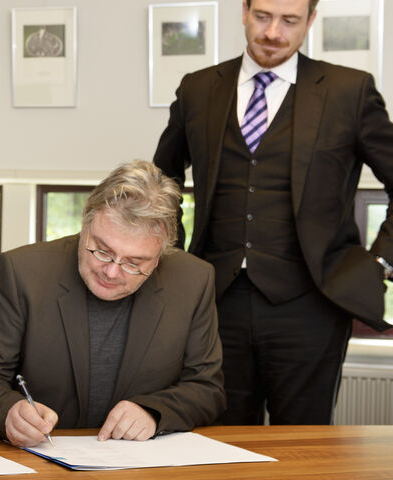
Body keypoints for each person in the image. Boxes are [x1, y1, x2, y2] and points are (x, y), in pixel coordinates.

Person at [152, 0, 393, 426]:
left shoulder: (348, 91)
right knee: (218, 439)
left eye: (289, 21)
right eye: (263, 16)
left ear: (310, 21)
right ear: (244, 11)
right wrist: (170, 253)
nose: (274, 33)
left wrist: (380, 261)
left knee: (303, 446)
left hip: (313, 304)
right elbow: (162, 179)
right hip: (215, 301)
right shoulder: (198, 88)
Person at [0, 161, 224, 447]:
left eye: (134, 263)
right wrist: (9, 412)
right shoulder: (20, 271)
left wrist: (153, 413)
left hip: (136, 464)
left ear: (160, 256)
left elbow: (207, 388)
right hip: (32, 457)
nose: (111, 271)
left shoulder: (194, 279)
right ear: (86, 224)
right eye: (102, 251)